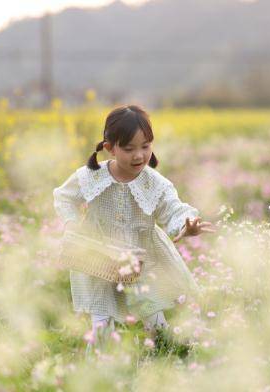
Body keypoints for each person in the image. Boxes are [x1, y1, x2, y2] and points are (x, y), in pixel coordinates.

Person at [52, 104, 215, 358]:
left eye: (145, 146)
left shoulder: (155, 184)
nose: (139, 155)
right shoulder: (90, 176)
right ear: (110, 148)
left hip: (142, 263)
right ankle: (97, 365)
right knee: (100, 315)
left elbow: (173, 209)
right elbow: (64, 197)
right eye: (129, 149)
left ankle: (170, 355)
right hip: (100, 259)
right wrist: (73, 224)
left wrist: (186, 224)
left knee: (152, 314)